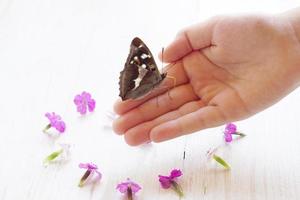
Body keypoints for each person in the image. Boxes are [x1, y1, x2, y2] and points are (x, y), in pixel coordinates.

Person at [113, 7, 300, 146]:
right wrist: (289, 32)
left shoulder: (162, 78)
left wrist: (290, 35)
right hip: (135, 85)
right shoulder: (157, 75)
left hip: (139, 87)